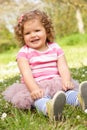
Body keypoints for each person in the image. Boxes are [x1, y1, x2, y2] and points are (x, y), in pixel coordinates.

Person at [2, 9, 87, 121]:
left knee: (68, 92)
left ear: (46, 31)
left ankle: (79, 100)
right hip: (36, 85)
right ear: (22, 36)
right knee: (38, 99)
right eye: (27, 33)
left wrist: (66, 80)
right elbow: (26, 73)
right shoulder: (24, 53)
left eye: (37, 30)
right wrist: (34, 89)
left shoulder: (55, 48)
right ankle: (49, 108)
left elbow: (63, 67)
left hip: (56, 82)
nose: (33, 35)